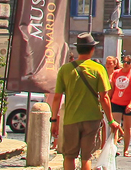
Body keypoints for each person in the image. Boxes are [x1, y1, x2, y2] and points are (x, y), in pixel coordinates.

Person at [51, 34, 114, 170]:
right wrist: (111, 121)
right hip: (92, 118)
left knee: (69, 156)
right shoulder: (99, 69)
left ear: (77, 49)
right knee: (86, 157)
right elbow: (104, 97)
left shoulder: (65, 70)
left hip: (71, 119)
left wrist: (54, 120)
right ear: (92, 49)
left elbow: (57, 97)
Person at [107, 56, 131, 157]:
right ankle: (114, 148)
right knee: (115, 126)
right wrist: (108, 100)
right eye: (124, 62)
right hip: (116, 102)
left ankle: (126, 149)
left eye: (128, 62)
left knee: (127, 127)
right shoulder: (116, 73)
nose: (126, 64)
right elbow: (112, 88)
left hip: (128, 103)